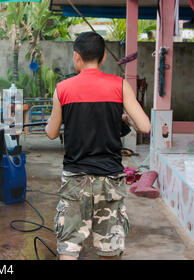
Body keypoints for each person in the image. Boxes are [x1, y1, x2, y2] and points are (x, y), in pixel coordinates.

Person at [45, 32, 151, 260]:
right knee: (109, 249)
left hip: (75, 178)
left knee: (69, 249)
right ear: (103, 58)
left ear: (77, 57)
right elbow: (145, 126)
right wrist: (125, 118)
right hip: (110, 179)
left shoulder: (63, 88)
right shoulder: (119, 85)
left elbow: (52, 133)